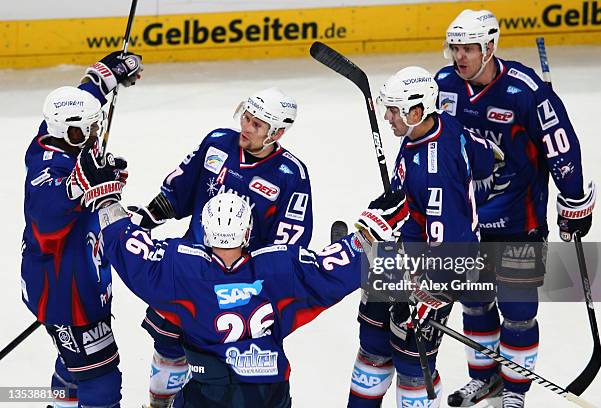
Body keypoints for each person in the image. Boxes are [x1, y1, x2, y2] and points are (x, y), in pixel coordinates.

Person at [70, 154, 409, 408]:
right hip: (269, 395)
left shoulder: (180, 267)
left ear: (204, 228)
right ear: (248, 231)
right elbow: (331, 267)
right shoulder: (281, 267)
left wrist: (106, 197)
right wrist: (368, 236)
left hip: (208, 396)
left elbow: (125, 245)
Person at [436, 10, 595, 408]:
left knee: (518, 311)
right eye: (456, 48)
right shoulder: (443, 86)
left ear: (489, 48)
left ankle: (515, 391)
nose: (461, 56)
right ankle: (485, 379)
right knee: (475, 303)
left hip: (519, 223)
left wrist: (573, 200)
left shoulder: (524, 90)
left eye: (469, 48)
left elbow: (561, 147)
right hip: (467, 222)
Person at [128, 87, 314, 407]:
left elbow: (288, 245)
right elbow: (179, 189)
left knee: (220, 367)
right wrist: (146, 218)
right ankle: (159, 404)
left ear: (278, 132)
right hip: (190, 270)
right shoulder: (217, 142)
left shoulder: (290, 175)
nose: (246, 126)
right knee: (169, 345)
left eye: (257, 125)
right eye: (246, 116)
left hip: (238, 288)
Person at [347, 66, 496, 408]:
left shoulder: (435, 171)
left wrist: (428, 293)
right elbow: (486, 158)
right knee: (372, 345)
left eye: (394, 110)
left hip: (437, 270)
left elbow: (452, 245)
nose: (387, 117)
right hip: (399, 254)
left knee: (413, 363)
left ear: (416, 112)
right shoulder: (438, 125)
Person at [20, 51, 142, 407]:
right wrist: (82, 185)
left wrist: (105, 77)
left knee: (75, 366)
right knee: (101, 378)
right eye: (87, 129)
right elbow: (46, 221)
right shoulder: (47, 172)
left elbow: (78, 102)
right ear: (69, 131)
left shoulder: (52, 135)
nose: (95, 134)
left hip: (75, 282)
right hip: (65, 294)